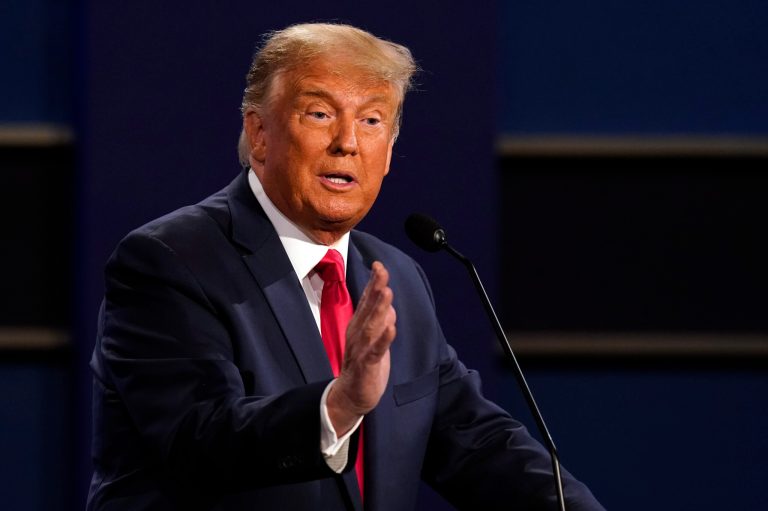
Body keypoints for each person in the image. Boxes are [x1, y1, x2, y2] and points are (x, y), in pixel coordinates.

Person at [87, 22, 604, 511]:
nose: (348, 142)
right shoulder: (171, 261)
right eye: (319, 113)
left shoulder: (394, 275)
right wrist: (338, 404)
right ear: (260, 133)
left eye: (372, 120)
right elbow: (199, 440)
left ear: (390, 151)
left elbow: (475, 440)